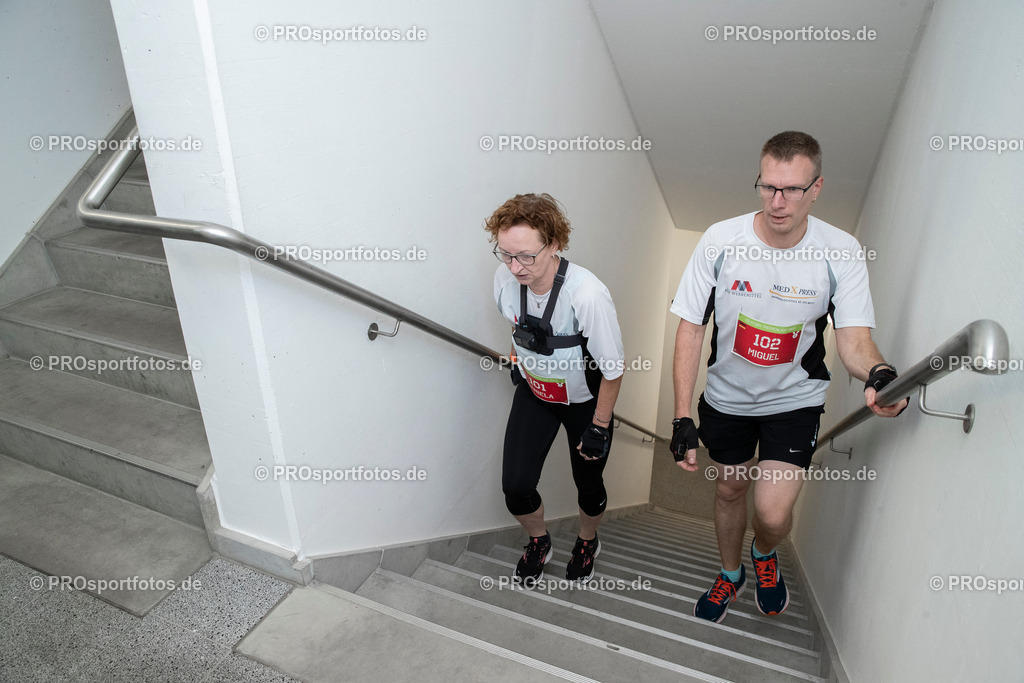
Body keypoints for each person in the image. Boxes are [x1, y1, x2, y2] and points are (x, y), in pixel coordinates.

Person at [669, 131, 908, 623]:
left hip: (794, 401)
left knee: (773, 514)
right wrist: (680, 416)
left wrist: (880, 372)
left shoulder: (840, 251)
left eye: (792, 190)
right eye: (768, 187)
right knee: (730, 489)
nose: (778, 202)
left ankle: (764, 554)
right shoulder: (720, 240)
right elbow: (691, 328)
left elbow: (854, 341)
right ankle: (732, 574)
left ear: (816, 188)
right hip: (726, 400)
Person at [486, 193, 625, 586]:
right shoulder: (505, 278)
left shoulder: (587, 294)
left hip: (584, 403)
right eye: (506, 254)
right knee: (515, 487)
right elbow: (516, 323)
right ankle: (538, 540)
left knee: (589, 484)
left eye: (527, 256)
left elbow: (613, 370)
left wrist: (599, 425)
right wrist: (518, 360)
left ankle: (586, 540)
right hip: (536, 394)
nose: (515, 267)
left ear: (555, 244)